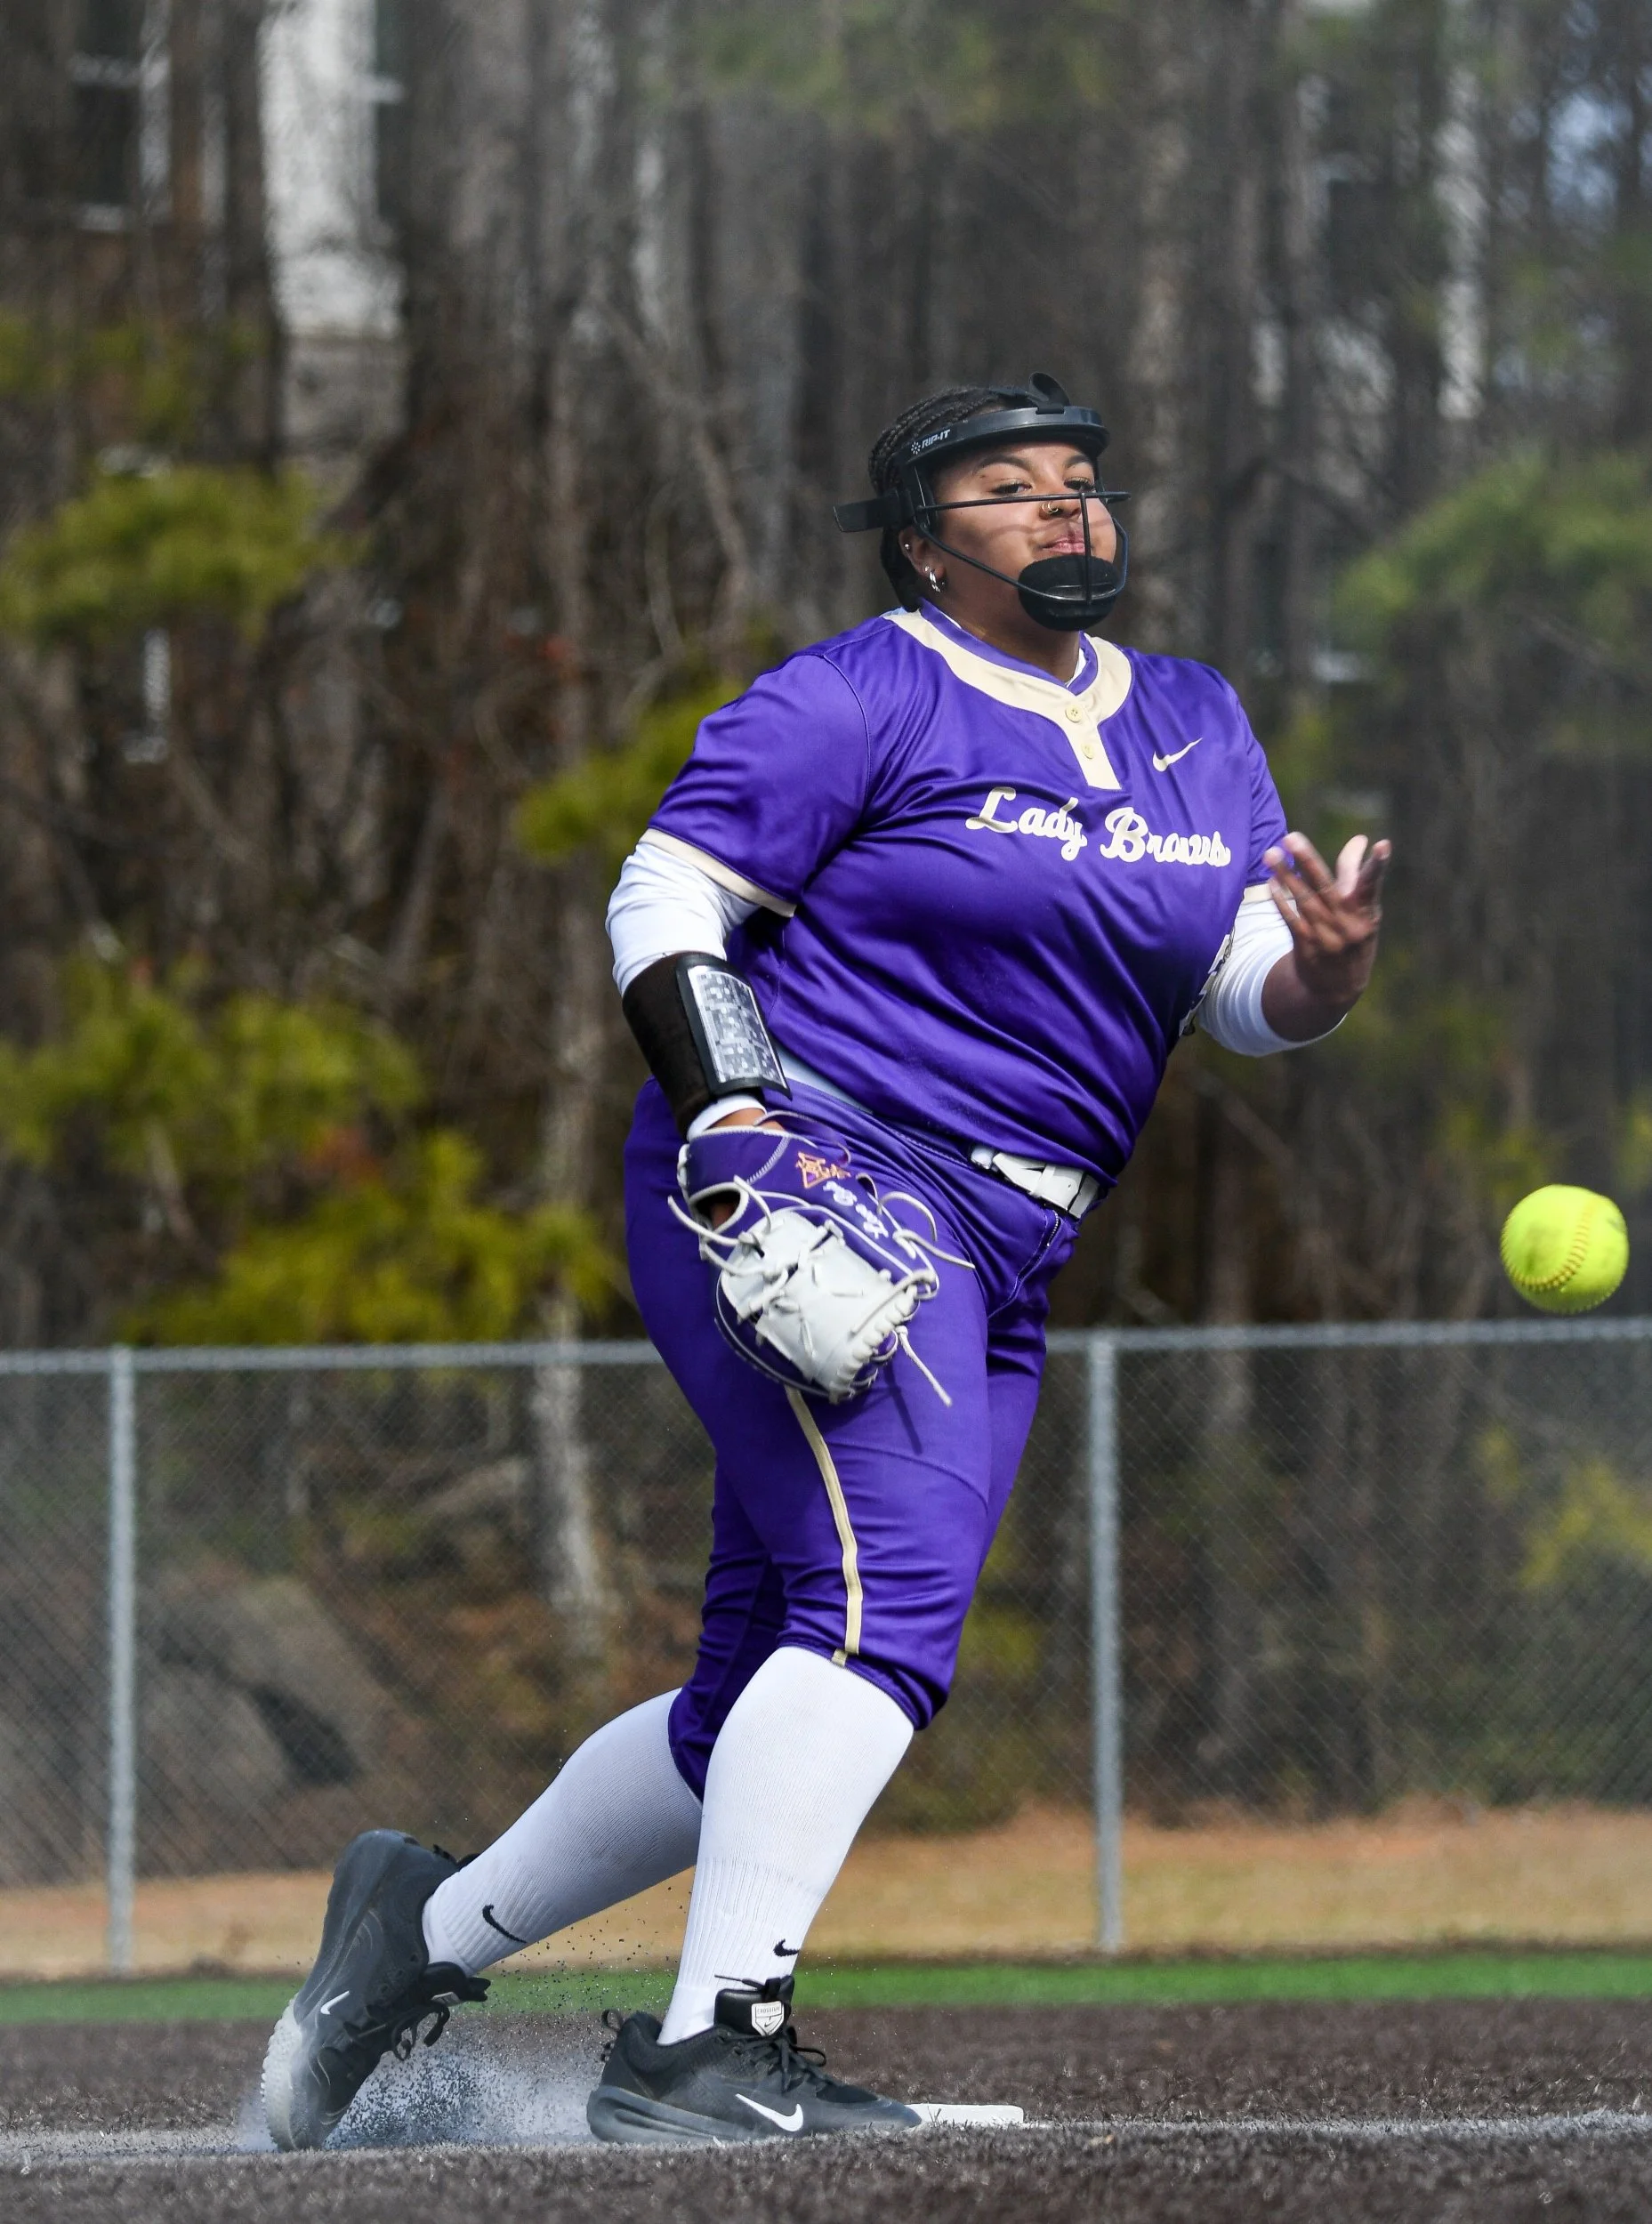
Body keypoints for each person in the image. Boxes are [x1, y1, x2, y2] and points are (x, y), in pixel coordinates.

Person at [261, 374, 1390, 2151]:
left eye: (1079, 482)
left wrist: (1316, 973)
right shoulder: (864, 688)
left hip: (1017, 1228)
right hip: (824, 1170)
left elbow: (1236, 994)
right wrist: (731, 1122)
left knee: (755, 1693)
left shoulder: (1194, 718)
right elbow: (665, 893)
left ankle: (417, 1933)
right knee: (880, 1620)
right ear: (926, 539)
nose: (1060, 510)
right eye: (1006, 488)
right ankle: (710, 2045)